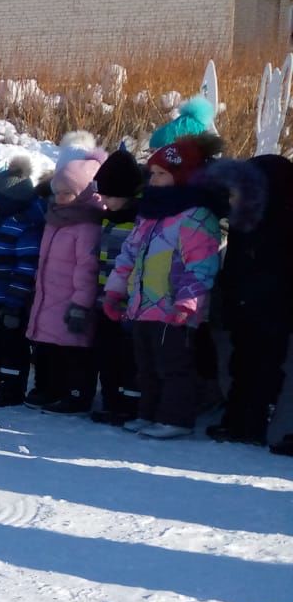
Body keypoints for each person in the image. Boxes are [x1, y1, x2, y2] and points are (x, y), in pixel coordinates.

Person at [104, 135, 227, 439]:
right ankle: (149, 413)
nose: (153, 179)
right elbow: (129, 254)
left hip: (174, 308)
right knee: (145, 366)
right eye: (153, 173)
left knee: (173, 366)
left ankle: (176, 418)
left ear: (181, 176)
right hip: (143, 305)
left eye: (162, 174)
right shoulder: (150, 213)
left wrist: (188, 302)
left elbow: (201, 265)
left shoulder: (196, 216)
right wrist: (116, 289)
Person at [202, 153, 293, 444]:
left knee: (265, 368)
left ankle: (255, 423)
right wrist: (229, 302)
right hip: (244, 305)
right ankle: (236, 420)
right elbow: (233, 266)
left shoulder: (283, 222)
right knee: (241, 364)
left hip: (273, 310)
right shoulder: (246, 219)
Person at [25, 148, 105, 413]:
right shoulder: (54, 221)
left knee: (73, 350)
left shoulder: (87, 226)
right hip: (48, 296)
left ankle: (76, 393)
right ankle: (49, 388)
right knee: (48, 347)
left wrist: (81, 304)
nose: (59, 198)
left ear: (83, 193)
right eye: (57, 192)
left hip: (71, 300)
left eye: (66, 193)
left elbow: (88, 268)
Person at [0, 158, 45, 407]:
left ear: (7, 202)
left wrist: (14, 305)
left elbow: (25, 269)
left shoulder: (25, 227)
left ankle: (12, 390)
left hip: (12, 298)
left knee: (12, 347)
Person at [88, 149, 144, 424]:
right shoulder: (108, 218)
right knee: (106, 353)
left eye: (110, 195)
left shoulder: (140, 222)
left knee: (127, 356)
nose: (105, 201)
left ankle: (127, 405)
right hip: (103, 299)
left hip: (129, 303)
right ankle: (110, 400)